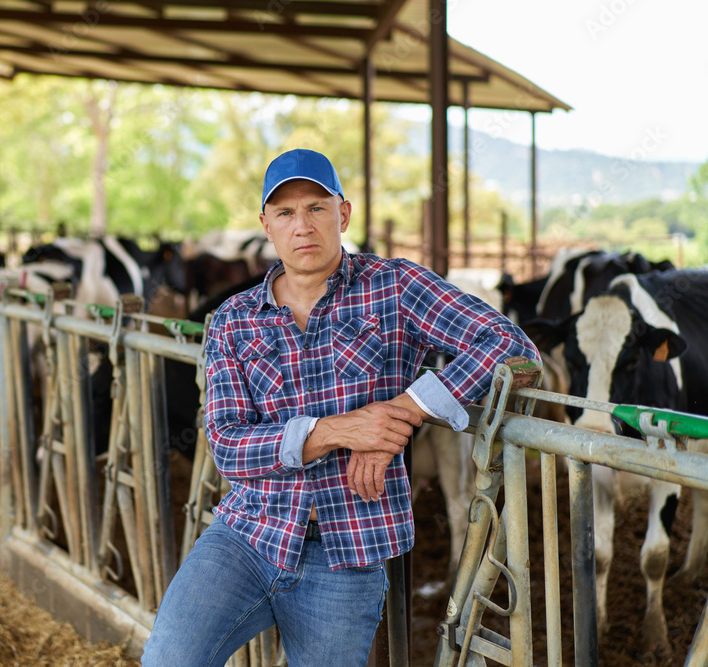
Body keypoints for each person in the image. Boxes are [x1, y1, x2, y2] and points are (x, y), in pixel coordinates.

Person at [141, 148, 539, 666]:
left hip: (348, 547)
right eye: (285, 213)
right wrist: (341, 431)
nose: (302, 225)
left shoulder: (395, 287)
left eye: (316, 208)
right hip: (249, 532)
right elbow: (228, 447)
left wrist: (405, 409)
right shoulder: (233, 319)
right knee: (168, 659)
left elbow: (509, 345)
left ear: (343, 214)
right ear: (266, 225)